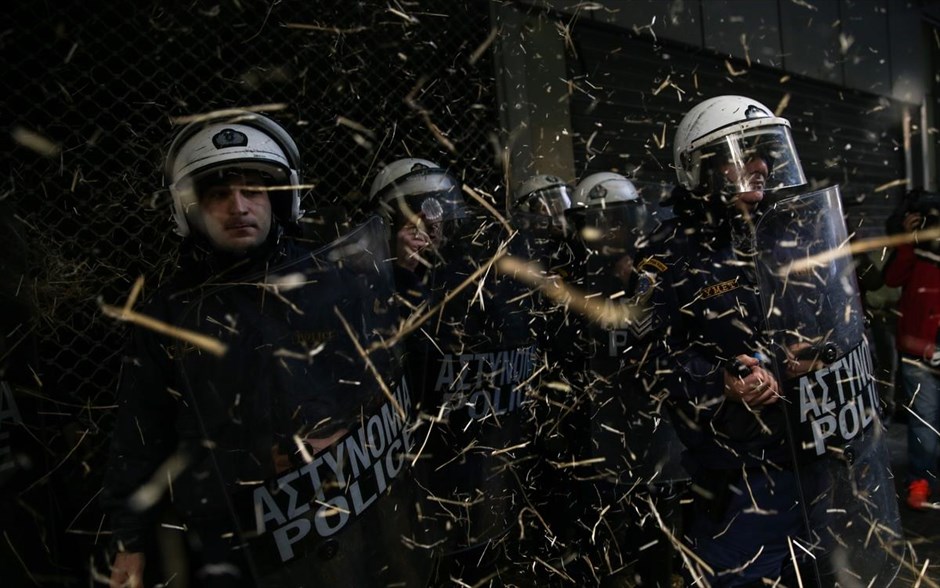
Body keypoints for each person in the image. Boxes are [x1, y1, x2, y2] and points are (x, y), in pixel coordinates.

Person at [101, 112, 426, 587]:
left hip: (333, 506)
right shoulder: (167, 315)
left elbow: (375, 382)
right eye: (218, 194)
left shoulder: (328, 280)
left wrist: (340, 433)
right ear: (189, 209)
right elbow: (141, 430)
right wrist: (128, 541)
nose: (238, 207)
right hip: (236, 529)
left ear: (280, 200)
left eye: (253, 191)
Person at [633, 95, 816, 586]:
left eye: (763, 154)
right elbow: (649, 360)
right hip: (741, 475)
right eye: (742, 156)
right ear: (702, 170)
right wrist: (722, 381)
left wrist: (809, 353)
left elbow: (820, 321)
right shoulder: (666, 256)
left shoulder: (783, 234)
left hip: (817, 449)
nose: (758, 167)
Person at [370, 158, 539, 585]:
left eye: (437, 210)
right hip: (418, 479)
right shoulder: (370, 290)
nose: (429, 224)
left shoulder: (468, 279)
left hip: (480, 465)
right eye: (415, 212)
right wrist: (404, 275)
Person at [883, 188, 940, 510]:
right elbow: (891, 280)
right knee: (924, 420)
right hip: (919, 350)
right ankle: (920, 480)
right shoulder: (914, 248)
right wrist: (908, 239)